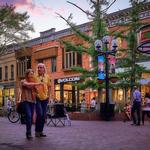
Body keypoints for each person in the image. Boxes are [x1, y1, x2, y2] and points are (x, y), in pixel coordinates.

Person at [21, 69, 42, 140]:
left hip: (33, 101)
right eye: (30, 74)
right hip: (26, 100)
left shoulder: (33, 82)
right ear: (27, 75)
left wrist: (37, 91)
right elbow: (27, 85)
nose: (32, 75)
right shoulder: (23, 81)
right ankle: (28, 132)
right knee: (29, 116)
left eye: (33, 74)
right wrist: (37, 84)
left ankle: (28, 132)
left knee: (30, 118)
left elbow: (37, 92)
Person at [34, 63, 51, 137]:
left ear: (44, 69)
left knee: (43, 116)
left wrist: (49, 96)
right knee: (40, 114)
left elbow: (49, 86)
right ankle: (37, 131)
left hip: (45, 98)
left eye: (41, 67)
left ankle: (40, 131)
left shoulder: (47, 77)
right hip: (37, 98)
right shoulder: (34, 77)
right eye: (38, 67)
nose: (39, 69)